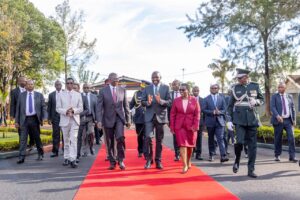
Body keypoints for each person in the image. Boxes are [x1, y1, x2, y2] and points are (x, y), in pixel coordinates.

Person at [227, 68, 264, 178]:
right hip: (239, 120)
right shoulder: (235, 88)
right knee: (239, 142)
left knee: (253, 146)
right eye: (238, 78)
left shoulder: (255, 86)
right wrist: (228, 120)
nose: (239, 80)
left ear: (246, 77)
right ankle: (237, 161)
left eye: (241, 78)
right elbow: (229, 106)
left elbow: (262, 100)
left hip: (252, 120)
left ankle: (251, 170)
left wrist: (256, 101)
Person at [96, 73, 131, 170]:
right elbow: (99, 107)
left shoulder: (122, 90)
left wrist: (128, 119)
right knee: (109, 141)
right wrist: (99, 120)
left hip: (119, 118)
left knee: (120, 138)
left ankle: (121, 160)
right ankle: (112, 162)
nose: (117, 80)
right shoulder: (103, 91)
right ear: (109, 80)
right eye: (115, 79)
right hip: (107, 119)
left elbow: (126, 106)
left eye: (117, 79)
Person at [141, 71, 171, 170]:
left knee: (159, 140)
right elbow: (142, 102)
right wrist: (148, 102)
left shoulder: (166, 88)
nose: (155, 79)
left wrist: (160, 101)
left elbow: (170, 102)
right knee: (148, 138)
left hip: (160, 117)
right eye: (153, 77)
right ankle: (149, 160)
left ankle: (158, 160)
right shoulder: (147, 88)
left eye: (157, 77)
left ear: (160, 77)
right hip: (149, 117)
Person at [170, 83, 200, 173]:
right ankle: (185, 165)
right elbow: (172, 114)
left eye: (183, 90)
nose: (181, 91)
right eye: (180, 90)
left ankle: (188, 160)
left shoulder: (194, 100)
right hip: (180, 126)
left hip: (191, 127)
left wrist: (196, 125)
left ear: (188, 90)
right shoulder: (176, 101)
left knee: (190, 146)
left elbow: (197, 114)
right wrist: (172, 126)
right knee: (182, 145)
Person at [15, 80, 46, 164]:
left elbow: (43, 107)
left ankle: (40, 153)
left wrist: (43, 117)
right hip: (23, 120)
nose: (30, 86)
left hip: (34, 119)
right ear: (26, 86)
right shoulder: (21, 95)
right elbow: (17, 109)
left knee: (37, 138)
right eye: (28, 84)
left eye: (31, 84)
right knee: (22, 139)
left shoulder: (39, 95)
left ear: (34, 85)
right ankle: (21, 157)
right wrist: (16, 121)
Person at [56, 78, 83, 168]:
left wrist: (74, 111)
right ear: (65, 84)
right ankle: (66, 157)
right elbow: (58, 108)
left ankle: (73, 159)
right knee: (66, 140)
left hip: (75, 120)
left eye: (71, 83)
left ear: (73, 84)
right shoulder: (60, 95)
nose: (69, 85)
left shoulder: (78, 95)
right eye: (67, 83)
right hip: (64, 119)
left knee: (74, 139)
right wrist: (66, 111)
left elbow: (81, 108)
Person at [270, 82, 297, 162]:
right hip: (279, 120)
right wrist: (277, 116)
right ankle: (277, 155)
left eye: (281, 87)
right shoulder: (274, 96)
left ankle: (292, 156)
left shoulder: (290, 96)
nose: (279, 89)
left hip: (288, 120)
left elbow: (293, 108)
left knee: (291, 138)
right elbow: (272, 107)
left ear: (285, 88)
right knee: (278, 138)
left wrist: (294, 119)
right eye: (278, 87)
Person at [203, 84, 228, 163]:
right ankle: (211, 155)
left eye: (215, 88)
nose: (214, 89)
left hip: (220, 122)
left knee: (220, 138)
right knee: (211, 139)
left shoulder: (222, 98)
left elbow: (225, 109)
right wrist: (212, 112)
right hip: (210, 121)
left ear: (218, 89)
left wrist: (219, 112)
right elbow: (203, 110)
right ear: (210, 89)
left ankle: (223, 155)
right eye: (212, 88)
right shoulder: (206, 99)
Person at [10, 76, 35, 149]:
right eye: (21, 81)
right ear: (18, 82)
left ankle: (32, 144)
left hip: (30, 115)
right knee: (21, 131)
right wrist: (12, 115)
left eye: (24, 81)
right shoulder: (14, 91)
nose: (23, 82)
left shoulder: (30, 90)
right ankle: (22, 145)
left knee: (32, 131)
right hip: (20, 115)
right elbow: (12, 104)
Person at [130, 82, 147, 158]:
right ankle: (140, 150)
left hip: (147, 118)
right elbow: (131, 104)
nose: (142, 87)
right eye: (141, 86)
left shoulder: (150, 93)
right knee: (140, 136)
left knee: (147, 136)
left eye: (144, 86)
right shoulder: (136, 94)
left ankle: (146, 152)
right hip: (138, 118)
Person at [73, 83, 89, 163]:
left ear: (79, 89)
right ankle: (70, 156)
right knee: (71, 139)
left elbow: (87, 110)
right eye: (73, 88)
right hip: (70, 120)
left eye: (75, 88)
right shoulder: (68, 97)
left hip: (80, 120)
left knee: (78, 138)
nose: (74, 89)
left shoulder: (84, 97)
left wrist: (78, 114)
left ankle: (77, 155)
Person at [47, 80, 64, 157]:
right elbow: (49, 107)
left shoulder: (65, 93)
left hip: (64, 116)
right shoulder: (51, 95)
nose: (58, 86)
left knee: (65, 134)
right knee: (55, 134)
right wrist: (49, 118)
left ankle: (65, 150)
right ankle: (55, 151)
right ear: (55, 86)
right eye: (56, 84)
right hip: (55, 117)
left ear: (61, 85)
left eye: (59, 84)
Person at [82, 83, 98, 156]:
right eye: (85, 88)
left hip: (91, 117)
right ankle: (85, 150)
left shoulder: (94, 96)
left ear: (90, 88)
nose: (86, 89)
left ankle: (91, 147)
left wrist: (97, 119)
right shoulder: (80, 96)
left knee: (91, 133)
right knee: (84, 135)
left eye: (87, 87)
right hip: (82, 118)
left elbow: (96, 109)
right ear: (83, 88)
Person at [168, 79, 181, 161]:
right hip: (173, 119)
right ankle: (177, 154)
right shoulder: (169, 94)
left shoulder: (184, 93)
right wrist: (169, 120)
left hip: (183, 119)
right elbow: (168, 108)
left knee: (182, 137)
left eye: (176, 84)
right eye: (173, 84)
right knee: (175, 138)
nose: (174, 86)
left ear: (179, 85)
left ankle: (183, 152)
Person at [192, 86, 205, 160]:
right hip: (191, 122)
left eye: (197, 90)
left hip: (200, 122)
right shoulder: (189, 99)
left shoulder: (202, 100)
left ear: (199, 91)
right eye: (194, 90)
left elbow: (203, 111)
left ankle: (198, 154)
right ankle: (192, 151)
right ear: (192, 91)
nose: (196, 92)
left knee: (199, 139)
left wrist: (204, 124)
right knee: (192, 138)